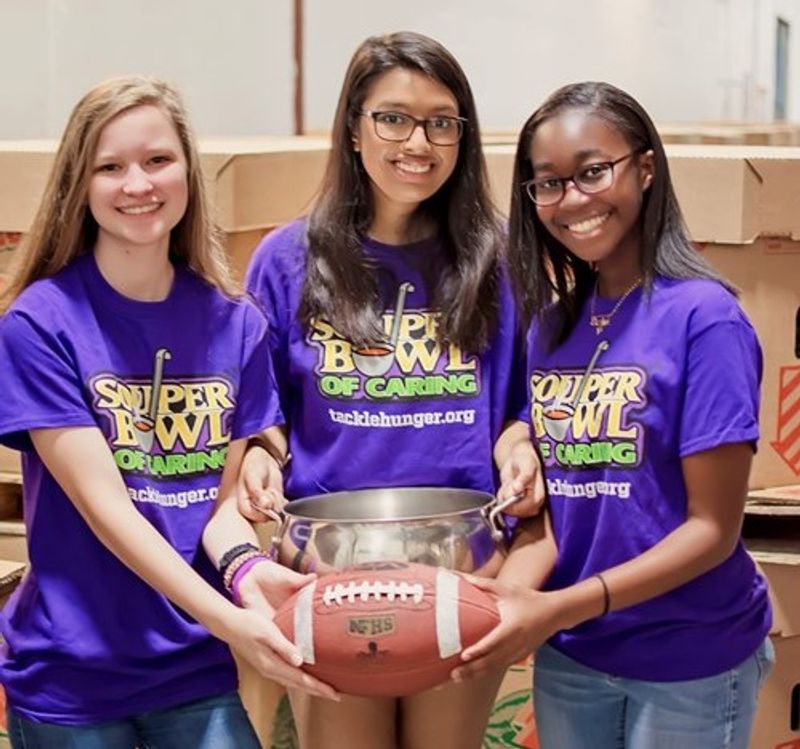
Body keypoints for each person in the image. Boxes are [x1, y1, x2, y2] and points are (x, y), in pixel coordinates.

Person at [221, 31, 543, 749]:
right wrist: (260, 453)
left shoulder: (498, 257)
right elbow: (260, 408)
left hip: (463, 562)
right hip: (326, 568)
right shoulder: (285, 259)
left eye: (441, 121)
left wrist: (520, 442)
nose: (418, 142)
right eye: (393, 117)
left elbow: (521, 403)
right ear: (354, 127)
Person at [0, 76, 334, 749]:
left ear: (187, 169)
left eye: (157, 160)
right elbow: (109, 510)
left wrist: (246, 568)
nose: (138, 184)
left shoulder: (234, 324)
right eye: (111, 167)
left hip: (193, 665)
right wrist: (230, 618)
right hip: (74, 679)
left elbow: (211, 505)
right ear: (80, 185)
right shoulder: (41, 322)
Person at [452, 81, 774, 749]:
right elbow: (551, 452)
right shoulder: (552, 326)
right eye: (548, 184)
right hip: (577, 655)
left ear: (646, 167)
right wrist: (520, 447)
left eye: (593, 171)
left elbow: (712, 529)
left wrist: (556, 608)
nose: (573, 199)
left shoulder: (704, 318)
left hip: (687, 658)